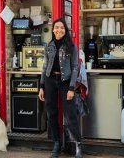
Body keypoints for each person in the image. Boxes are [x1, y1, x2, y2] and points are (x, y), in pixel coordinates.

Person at [38, 18, 82, 158]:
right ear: (53, 30)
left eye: (62, 28)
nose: (59, 30)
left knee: (70, 114)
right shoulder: (49, 46)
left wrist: (71, 88)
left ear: (65, 30)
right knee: (51, 113)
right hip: (51, 80)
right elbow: (45, 67)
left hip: (65, 82)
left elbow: (75, 68)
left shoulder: (71, 46)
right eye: (56, 27)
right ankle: (57, 143)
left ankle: (77, 144)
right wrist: (42, 86)